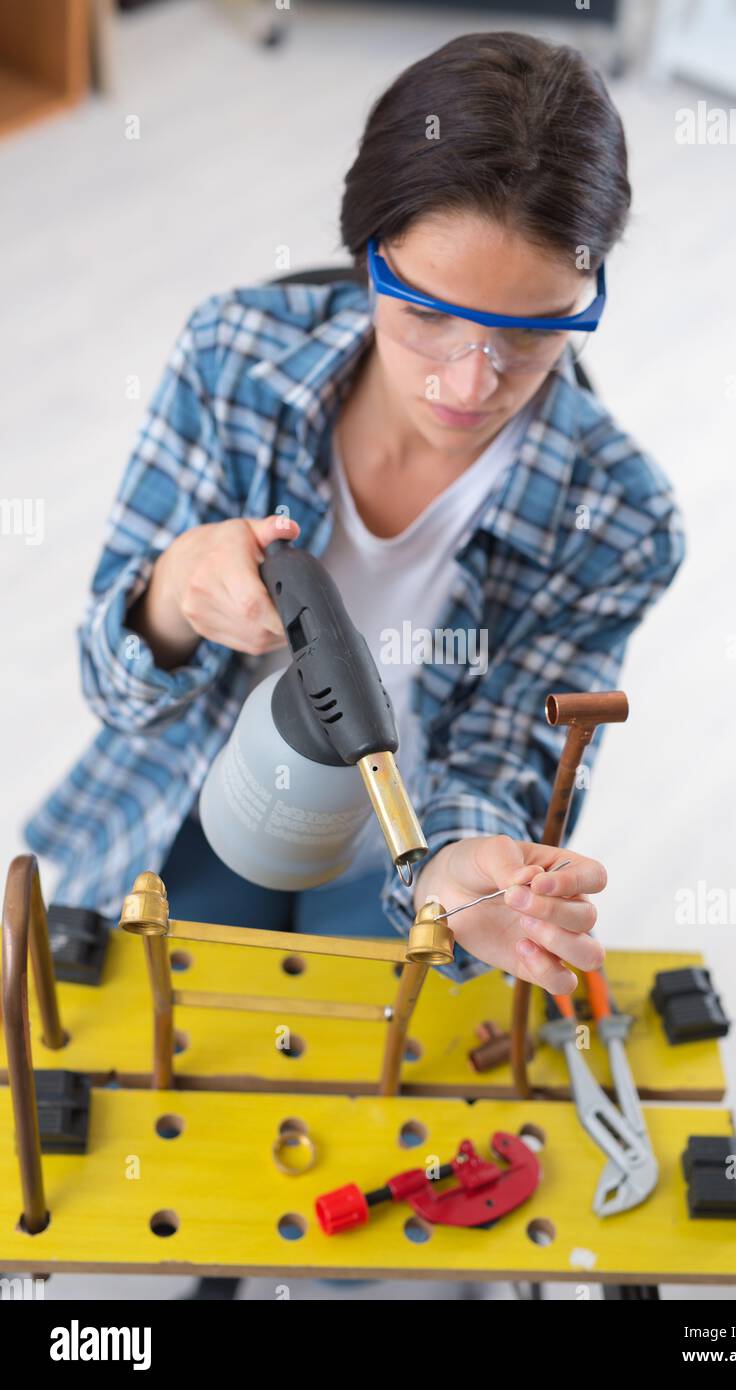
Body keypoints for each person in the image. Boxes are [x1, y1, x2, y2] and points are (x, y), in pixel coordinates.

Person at [23, 32, 684, 1297]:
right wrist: (169, 596)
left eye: (533, 333)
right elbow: (113, 688)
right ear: (366, 243)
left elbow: (501, 754)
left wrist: (465, 866)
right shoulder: (233, 362)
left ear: (592, 294)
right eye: (428, 311)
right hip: (195, 814)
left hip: (406, 853)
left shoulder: (619, 515)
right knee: (173, 1089)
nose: (469, 380)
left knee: (362, 1173)